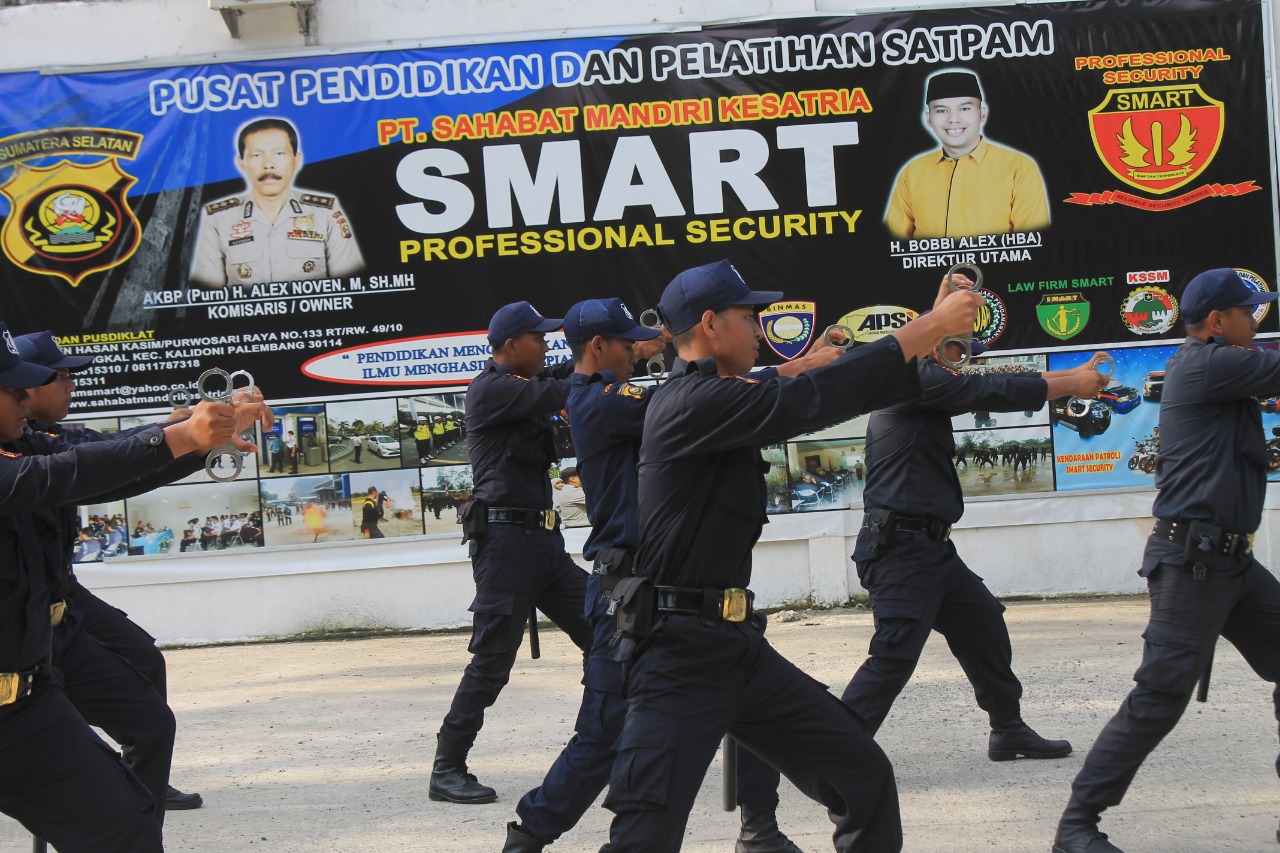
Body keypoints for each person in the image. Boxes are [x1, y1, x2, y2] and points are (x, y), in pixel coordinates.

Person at [597, 259, 980, 852]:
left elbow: (795, 382)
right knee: (644, 836)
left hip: (734, 649)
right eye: (749, 317)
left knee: (863, 775)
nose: (760, 328)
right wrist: (930, 326)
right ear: (710, 324)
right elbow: (813, 397)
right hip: (676, 657)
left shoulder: (720, 393)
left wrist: (911, 341)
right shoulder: (687, 403)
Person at [507, 295, 833, 853]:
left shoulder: (623, 395)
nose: (639, 349)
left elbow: (714, 396)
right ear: (598, 347)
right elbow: (709, 399)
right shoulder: (600, 401)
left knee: (751, 702)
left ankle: (760, 829)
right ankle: (529, 835)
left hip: (681, 590)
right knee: (605, 733)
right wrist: (796, 369)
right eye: (628, 342)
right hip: (627, 597)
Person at [1052, 268, 1280, 853]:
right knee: (1160, 694)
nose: (1256, 322)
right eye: (1248, 312)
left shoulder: (1220, 366)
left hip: (1231, 562)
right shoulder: (1209, 363)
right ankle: (1078, 826)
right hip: (1192, 562)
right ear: (1216, 320)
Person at [0, 322, 248, 851]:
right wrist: (182, 436)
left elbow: (108, 459)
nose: (26, 395)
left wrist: (203, 437)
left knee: (125, 830)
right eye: (12, 387)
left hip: (24, 693)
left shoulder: (25, 440)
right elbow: (54, 478)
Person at [837, 280, 1108, 759]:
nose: (959, 359)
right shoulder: (913, 382)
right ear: (931, 347)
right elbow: (990, 388)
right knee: (894, 656)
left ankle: (1008, 728)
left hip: (931, 549)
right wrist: (1069, 383)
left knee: (983, 624)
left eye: (964, 353)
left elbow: (951, 359)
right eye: (952, 348)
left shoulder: (923, 381)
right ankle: (834, 753)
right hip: (901, 550)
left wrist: (940, 301)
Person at [431, 301, 593, 805]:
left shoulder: (524, 386)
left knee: (607, 631)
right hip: (504, 547)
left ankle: (611, 740)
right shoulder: (491, 390)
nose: (546, 346)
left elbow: (567, 374)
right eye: (538, 339)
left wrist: (623, 351)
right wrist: (598, 360)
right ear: (510, 346)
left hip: (544, 545)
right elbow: (565, 385)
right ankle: (447, 767)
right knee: (493, 661)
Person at [190, 117, 363, 287]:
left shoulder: (326, 212)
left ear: (296, 160)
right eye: (256, 155)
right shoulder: (218, 218)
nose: (268, 165)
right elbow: (208, 294)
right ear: (242, 163)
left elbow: (350, 285)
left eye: (279, 153)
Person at [884, 69, 1050, 240]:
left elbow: (1033, 246)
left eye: (964, 108)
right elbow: (893, 245)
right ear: (928, 119)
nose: (953, 119)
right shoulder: (912, 173)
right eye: (941, 111)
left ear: (982, 113)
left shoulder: (1018, 168)